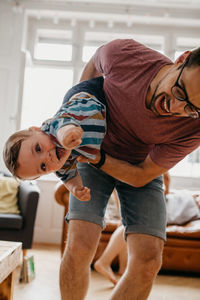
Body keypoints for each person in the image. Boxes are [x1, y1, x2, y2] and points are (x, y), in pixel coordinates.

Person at [58, 39, 200, 300]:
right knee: (80, 245)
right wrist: (78, 117)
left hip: (138, 168)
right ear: (182, 59)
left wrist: (98, 158)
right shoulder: (123, 55)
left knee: (148, 261)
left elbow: (142, 175)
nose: (176, 108)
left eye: (192, 109)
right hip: (93, 153)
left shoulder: (195, 127)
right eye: (180, 92)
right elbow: (92, 67)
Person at [3, 77, 107, 201]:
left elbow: (63, 127)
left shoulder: (52, 128)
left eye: (38, 149)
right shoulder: (61, 168)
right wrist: (75, 189)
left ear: (37, 130)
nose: (48, 158)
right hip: (106, 118)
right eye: (43, 167)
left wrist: (67, 135)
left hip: (93, 95)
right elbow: (69, 178)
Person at [94, 173, 170, 285]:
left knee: (126, 225)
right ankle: (104, 261)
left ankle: (123, 269)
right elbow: (166, 176)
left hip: (121, 182)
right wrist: (165, 190)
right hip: (135, 184)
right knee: (128, 225)